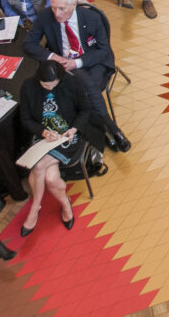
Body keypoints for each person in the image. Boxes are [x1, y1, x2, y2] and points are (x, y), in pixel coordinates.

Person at [24, 0, 132, 150]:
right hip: (67, 65)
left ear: (73, 4)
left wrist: (78, 62)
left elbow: (104, 51)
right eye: (54, 8)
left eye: (62, 9)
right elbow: (28, 43)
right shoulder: (45, 16)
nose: (57, 13)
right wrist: (53, 56)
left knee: (83, 90)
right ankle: (112, 130)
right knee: (85, 87)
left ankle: (105, 131)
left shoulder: (92, 18)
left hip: (93, 62)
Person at [18, 60, 106, 236]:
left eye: (53, 84)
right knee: (51, 179)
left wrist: (73, 129)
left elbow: (85, 110)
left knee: (38, 166)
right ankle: (65, 203)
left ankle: (35, 207)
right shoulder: (28, 86)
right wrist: (43, 132)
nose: (49, 88)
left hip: (69, 135)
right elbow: (26, 119)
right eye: (45, 85)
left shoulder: (73, 83)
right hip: (44, 136)